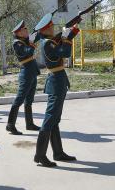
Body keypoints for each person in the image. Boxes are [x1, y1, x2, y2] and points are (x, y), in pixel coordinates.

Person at [33, 14, 80, 167]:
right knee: (49, 120)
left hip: (58, 80)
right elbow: (65, 52)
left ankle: (58, 153)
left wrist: (74, 28)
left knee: (54, 120)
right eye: (51, 27)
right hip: (56, 81)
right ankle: (40, 155)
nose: (54, 28)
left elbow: (63, 43)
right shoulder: (48, 43)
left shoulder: (50, 41)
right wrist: (66, 37)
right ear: (46, 30)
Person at [6, 20, 40, 135]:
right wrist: (31, 42)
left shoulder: (25, 40)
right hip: (26, 74)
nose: (27, 30)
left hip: (32, 72)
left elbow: (37, 35)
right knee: (19, 100)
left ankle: (29, 124)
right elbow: (27, 52)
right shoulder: (17, 43)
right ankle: (10, 125)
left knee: (29, 100)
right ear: (19, 32)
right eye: (24, 29)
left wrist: (40, 28)